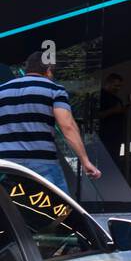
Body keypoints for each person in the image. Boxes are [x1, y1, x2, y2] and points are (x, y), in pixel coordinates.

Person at [0, 51, 101, 193]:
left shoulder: (2, 90)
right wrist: (85, 160)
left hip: (7, 163)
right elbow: (67, 126)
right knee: (59, 210)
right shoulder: (54, 89)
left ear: (28, 68)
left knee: (13, 209)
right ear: (48, 70)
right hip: (42, 162)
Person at [98, 72, 130, 166]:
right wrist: (113, 111)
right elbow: (96, 116)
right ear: (108, 83)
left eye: (120, 86)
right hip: (104, 137)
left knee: (114, 162)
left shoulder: (117, 99)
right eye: (116, 85)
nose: (118, 88)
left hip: (116, 137)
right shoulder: (101, 96)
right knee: (104, 163)